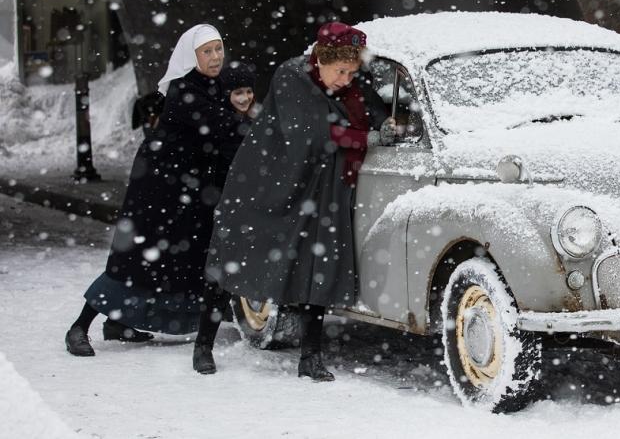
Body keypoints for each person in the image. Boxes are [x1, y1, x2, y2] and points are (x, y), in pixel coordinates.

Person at [192, 22, 388, 381]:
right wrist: (364, 136)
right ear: (321, 60)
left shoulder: (347, 85)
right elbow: (307, 138)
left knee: (319, 264)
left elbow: (373, 112)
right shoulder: (292, 76)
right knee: (233, 258)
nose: (346, 79)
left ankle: (309, 359)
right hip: (267, 181)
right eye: (340, 71)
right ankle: (203, 344)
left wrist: (388, 126)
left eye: (352, 72)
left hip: (322, 187)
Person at [64, 24, 246, 357]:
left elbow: (226, 133)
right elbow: (225, 126)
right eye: (207, 51)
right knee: (134, 259)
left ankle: (118, 323)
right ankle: (79, 327)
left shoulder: (214, 87)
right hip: (159, 188)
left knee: (169, 259)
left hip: (190, 190)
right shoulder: (183, 90)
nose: (215, 56)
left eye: (219, 48)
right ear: (191, 56)